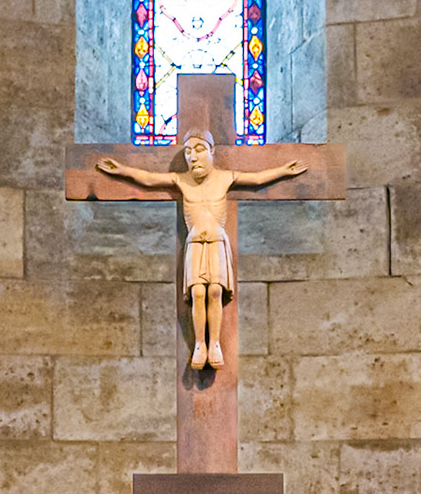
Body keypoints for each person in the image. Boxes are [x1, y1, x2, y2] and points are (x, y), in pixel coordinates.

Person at [96, 133, 304, 369]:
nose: (193, 157)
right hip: (195, 243)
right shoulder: (181, 180)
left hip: (217, 242)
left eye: (199, 149)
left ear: (211, 151)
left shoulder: (225, 178)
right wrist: (122, 170)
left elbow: (256, 179)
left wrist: (284, 171)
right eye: (188, 151)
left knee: (215, 291)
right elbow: (148, 178)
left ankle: (214, 343)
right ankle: (199, 344)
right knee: (197, 293)